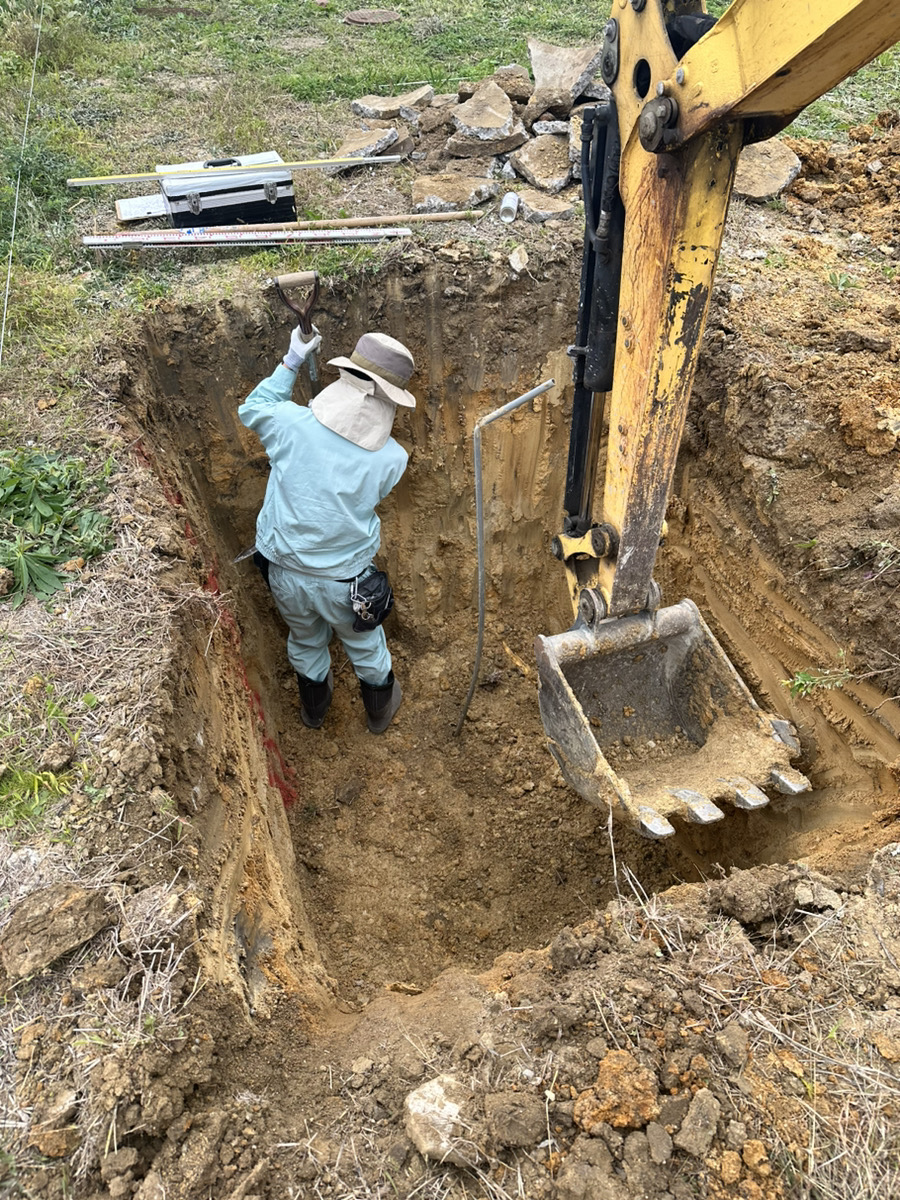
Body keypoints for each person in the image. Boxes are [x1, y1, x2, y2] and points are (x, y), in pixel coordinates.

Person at [238, 324, 415, 733]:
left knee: (303, 639)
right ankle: (378, 712)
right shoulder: (392, 458)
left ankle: (314, 710)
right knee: (365, 643)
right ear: (391, 400)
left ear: (346, 376)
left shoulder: (289, 424)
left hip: (283, 573)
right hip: (346, 585)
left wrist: (294, 358)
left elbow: (254, 407)